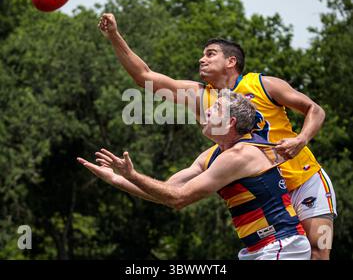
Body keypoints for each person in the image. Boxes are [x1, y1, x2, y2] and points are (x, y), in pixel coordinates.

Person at [97, 13, 336, 260]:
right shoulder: (202, 97)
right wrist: (114, 36)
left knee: (319, 252)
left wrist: (301, 139)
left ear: (231, 60)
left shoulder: (263, 84)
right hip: (259, 182)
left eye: (210, 53)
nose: (202, 59)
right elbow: (144, 77)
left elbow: (315, 110)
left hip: (304, 176)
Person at [78, 92, 311, 260]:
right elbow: (166, 192)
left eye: (216, 108)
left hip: (282, 246)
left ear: (230, 122)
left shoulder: (240, 154)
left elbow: (178, 199)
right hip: (259, 250)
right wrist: (117, 179)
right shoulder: (213, 155)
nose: (207, 110)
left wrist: (132, 175)